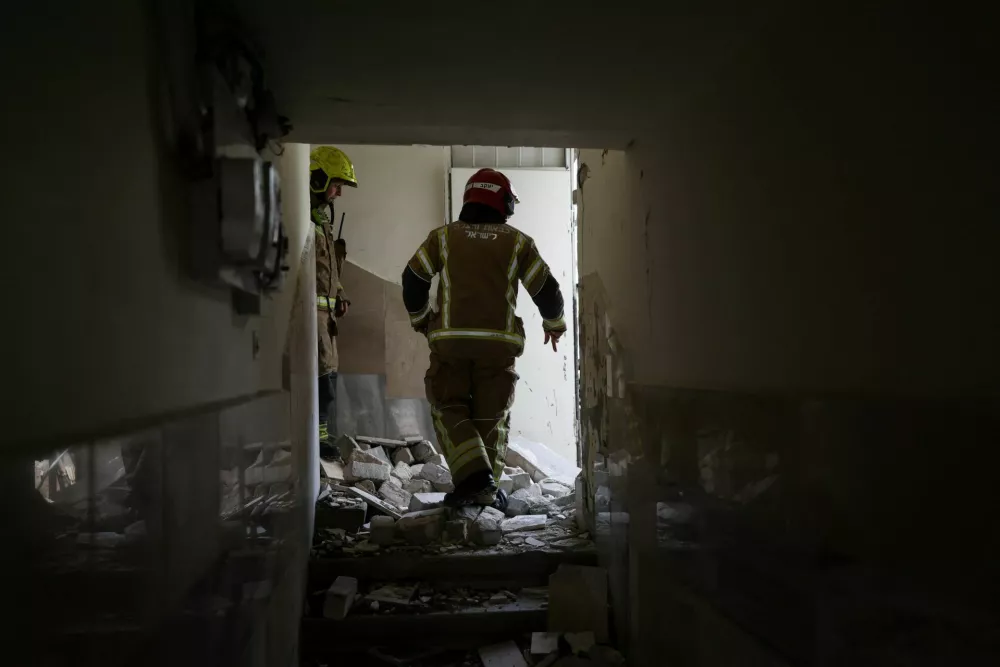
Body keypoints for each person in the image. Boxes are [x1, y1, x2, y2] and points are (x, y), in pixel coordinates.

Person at [401, 168, 566, 510]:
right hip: (497, 346)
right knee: (492, 416)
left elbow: (413, 278)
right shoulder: (518, 242)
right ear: (503, 202)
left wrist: (422, 321)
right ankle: (485, 489)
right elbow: (547, 290)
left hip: (451, 344)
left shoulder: (442, 238)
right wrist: (555, 324)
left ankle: (475, 482)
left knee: (449, 406)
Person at [309, 146, 358, 444]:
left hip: (326, 318)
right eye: (336, 185)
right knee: (321, 380)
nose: (338, 193)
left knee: (328, 377)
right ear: (319, 179)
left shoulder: (321, 221)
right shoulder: (304, 219)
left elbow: (328, 269)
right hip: (311, 316)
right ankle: (318, 442)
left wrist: (340, 294)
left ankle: (322, 438)